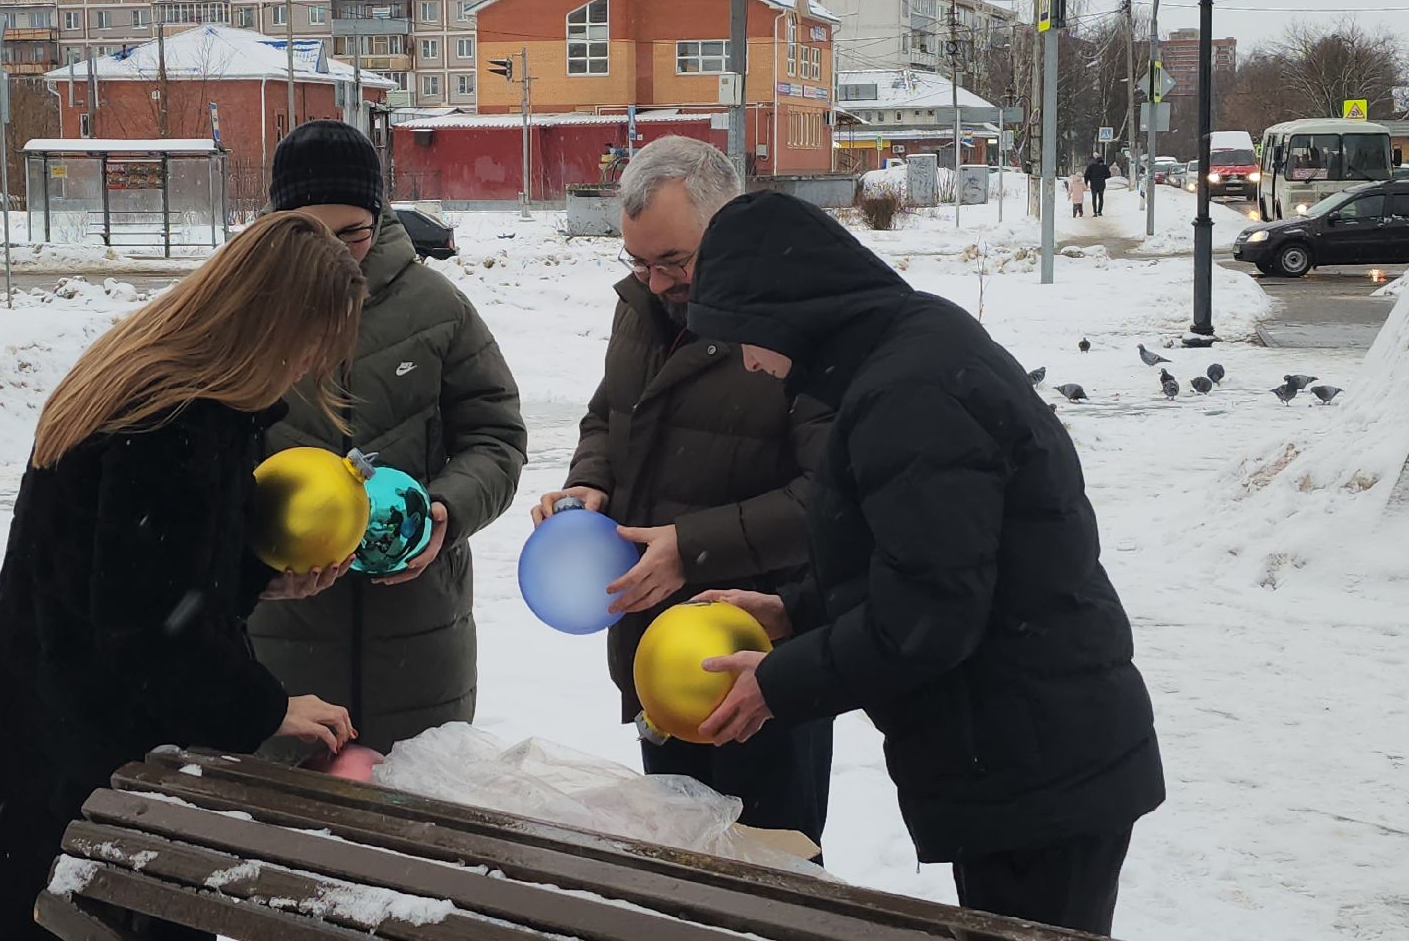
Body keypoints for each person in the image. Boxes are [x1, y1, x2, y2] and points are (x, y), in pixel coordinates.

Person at [687, 192, 1165, 935]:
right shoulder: (908, 350)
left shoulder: (908, 391)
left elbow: (931, 616)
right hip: (1027, 746)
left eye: (743, 335)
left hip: (1034, 762)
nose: (748, 362)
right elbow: (924, 557)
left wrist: (780, 683)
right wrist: (794, 611)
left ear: (786, 307)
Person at [0, 212, 366, 940]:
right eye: (310, 346)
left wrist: (254, 578)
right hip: (99, 799)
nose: (307, 369)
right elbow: (148, 630)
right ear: (273, 323)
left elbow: (126, 577)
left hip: (37, 771)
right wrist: (265, 708)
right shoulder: (177, 422)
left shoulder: (143, 382)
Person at [529, 136, 835, 847]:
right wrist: (587, 483)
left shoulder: (798, 321)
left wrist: (691, 550)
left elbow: (831, 497)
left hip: (756, 654)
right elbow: (610, 414)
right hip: (651, 654)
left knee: (770, 868)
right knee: (677, 860)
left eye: (674, 261)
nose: (656, 281)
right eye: (637, 260)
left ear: (731, 224)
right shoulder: (642, 306)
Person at [247, 120, 526, 756]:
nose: (338, 254)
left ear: (378, 214)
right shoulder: (245, 313)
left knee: (415, 821)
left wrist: (446, 512)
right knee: (281, 829)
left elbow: (496, 437)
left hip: (421, 633)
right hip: (279, 631)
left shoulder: (438, 308)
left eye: (354, 233)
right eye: (313, 234)